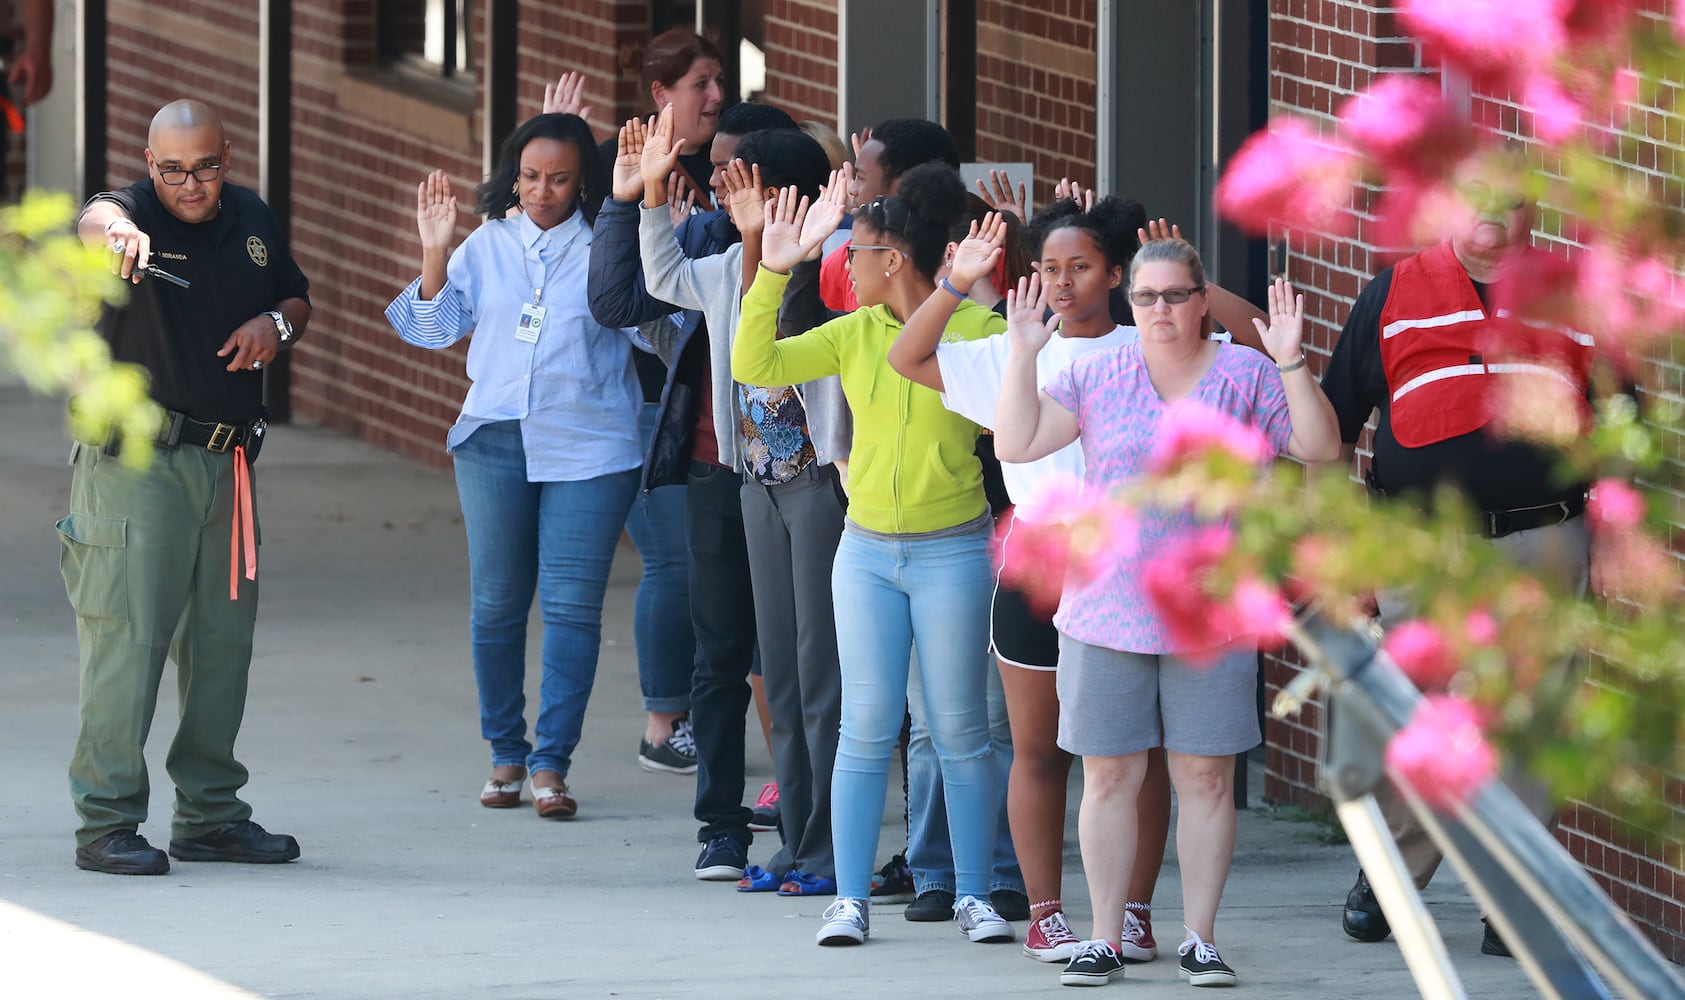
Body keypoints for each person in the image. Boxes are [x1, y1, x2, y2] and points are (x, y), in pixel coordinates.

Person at [994, 238, 1341, 987]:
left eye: (1176, 295)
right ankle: (1103, 937)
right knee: (1108, 777)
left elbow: (1321, 445)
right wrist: (1022, 355)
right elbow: (1016, 441)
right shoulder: (1096, 371)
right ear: (1130, 302)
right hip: (1105, 613)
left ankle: (1201, 939)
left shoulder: (1246, 374)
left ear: (1202, 298)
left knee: (1206, 780)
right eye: (1146, 297)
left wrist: (1289, 360)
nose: (1160, 309)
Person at [734, 164, 1017, 949]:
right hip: (863, 554)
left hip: (954, 551)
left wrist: (979, 293)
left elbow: (1023, 408)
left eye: (852, 252)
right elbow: (754, 368)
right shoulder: (851, 331)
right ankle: (849, 902)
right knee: (863, 729)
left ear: (891, 258)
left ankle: (972, 894)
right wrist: (773, 268)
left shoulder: (976, 332)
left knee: (959, 731)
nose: (844, 266)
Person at [1319, 168, 1596, 958]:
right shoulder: (1391, 293)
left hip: (1545, 537)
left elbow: (1613, 422)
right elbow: (1335, 429)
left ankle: (1512, 899)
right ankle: (1393, 876)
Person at [63, 99, 308, 875]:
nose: (190, 184)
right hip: (139, 462)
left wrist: (278, 324)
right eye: (171, 169)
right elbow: (96, 220)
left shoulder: (250, 217)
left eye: (204, 166)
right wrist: (119, 236)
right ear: (150, 162)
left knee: (221, 650)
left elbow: (296, 293)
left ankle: (209, 815)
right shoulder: (128, 213)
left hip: (229, 465)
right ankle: (105, 822)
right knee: (127, 644)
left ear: (226, 157)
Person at [385, 112, 636, 821]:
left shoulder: (609, 244)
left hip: (590, 446)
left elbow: (662, 332)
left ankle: (551, 764)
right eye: (529, 177)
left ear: (584, 179)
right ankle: (505, 751)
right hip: (495, 439)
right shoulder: (488, 243)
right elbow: (430, 330)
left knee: (569, 609)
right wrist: (435, 252)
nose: (542, 192)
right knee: (496, 605)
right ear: (512, 176)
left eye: (558, 179)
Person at [633, 115, 850, 897]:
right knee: (783, 678)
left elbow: (807, 335)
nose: (725, 195)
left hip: (822, 489)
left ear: (784, 193)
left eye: (741, 183)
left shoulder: (832, 269)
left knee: (821, 673)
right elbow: (657, 272)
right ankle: (796, 842)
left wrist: (782, 241)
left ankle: (831, 850)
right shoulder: (726, 268)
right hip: (751, 483)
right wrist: (653, 188)